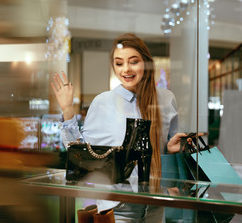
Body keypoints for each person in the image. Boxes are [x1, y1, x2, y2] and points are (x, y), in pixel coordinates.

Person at [51, 33, 189, 222]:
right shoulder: (103, 102)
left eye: (133, 62)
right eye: (119, 63)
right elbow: (80, 152)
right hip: (119, 207)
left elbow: (163, 154)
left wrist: (171, 149)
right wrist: (67, 110)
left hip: (156, 206)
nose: (126, 69)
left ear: (146, 62)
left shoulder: (166, 99)